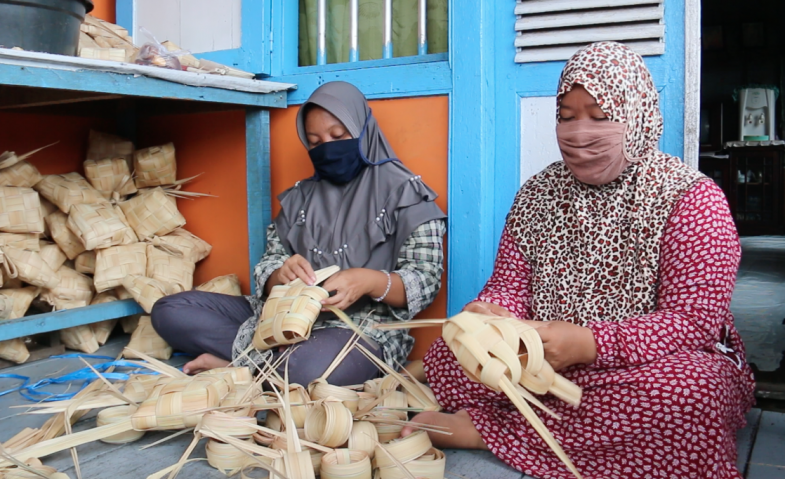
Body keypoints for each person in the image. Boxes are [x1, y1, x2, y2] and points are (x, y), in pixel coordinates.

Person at [402, 42, 755, 479]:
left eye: (600, 116)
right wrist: (493, 316)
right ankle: (544, 423)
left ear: (637, 114)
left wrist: (591, 344)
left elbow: (693, 321)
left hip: (642, 365)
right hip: (538, 359)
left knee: (693, 395)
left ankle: (486, 429)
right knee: (452, 355)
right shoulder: (538, 193)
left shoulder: (691, 199)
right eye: (566, 117)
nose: (578, 133)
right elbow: (509, 285)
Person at [152, 81, 446, 386]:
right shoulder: (300, 197)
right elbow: (269, 263)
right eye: (315, 142)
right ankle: (264, 368)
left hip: (359, 328)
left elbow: (425, 280)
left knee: (312, 370)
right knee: (169, 311)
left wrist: (368, 281)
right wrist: (280, 273)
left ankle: (242, 366)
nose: (327, 148)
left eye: (338, 136)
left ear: (363, 129)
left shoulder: (406, 193)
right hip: (282, 318)